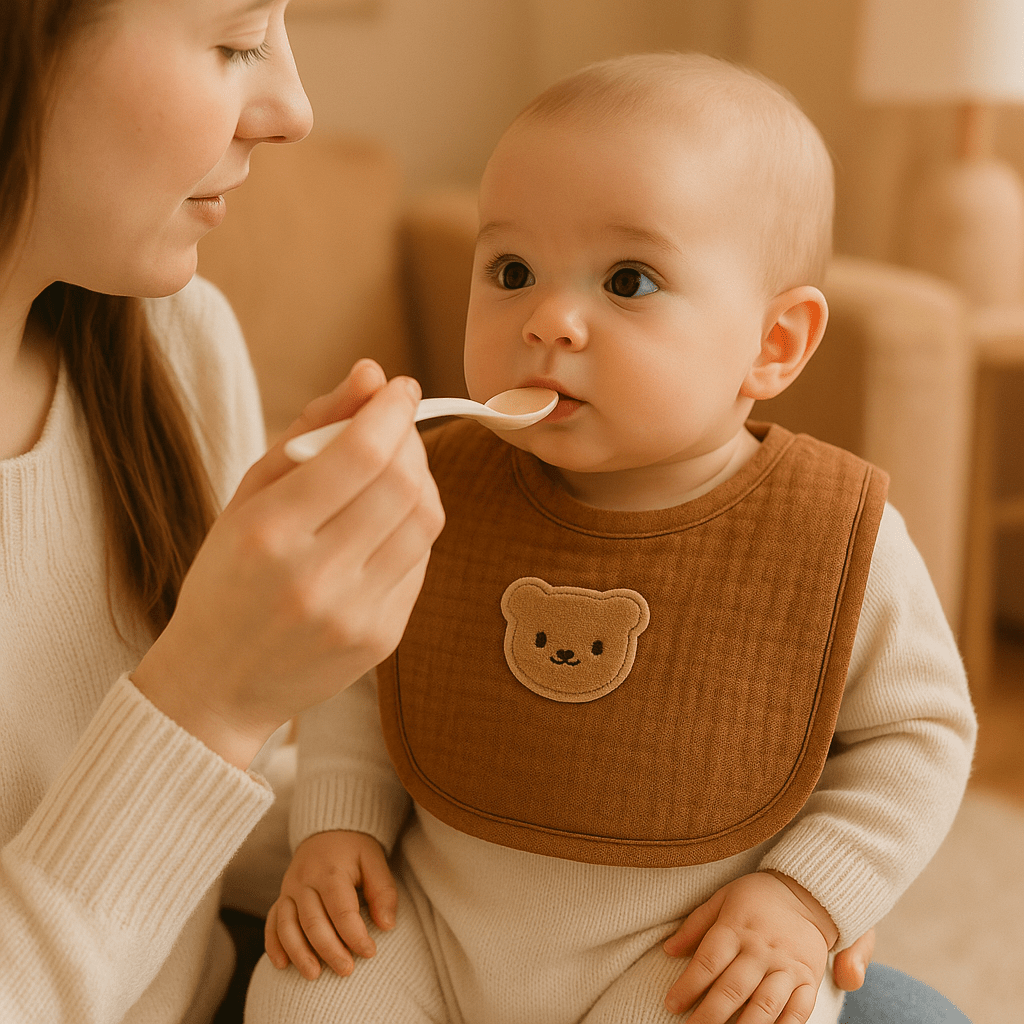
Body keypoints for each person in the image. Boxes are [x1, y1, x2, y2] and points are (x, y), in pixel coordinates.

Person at [246, 53, 977, 1024]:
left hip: (672, 951)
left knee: (751, 1008)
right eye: (510, 271)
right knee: (303, 987)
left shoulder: (831, 530)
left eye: (628, 280)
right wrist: (336, 827)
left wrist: (807, 894)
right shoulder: (438, 487)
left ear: (774, 345)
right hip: (422, 922)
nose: (547, 320)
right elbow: (360, 674)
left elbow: (918, 734)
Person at [0, 1, 444, 1022]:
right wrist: (206, 702)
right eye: (238, 40)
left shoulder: (173, 342)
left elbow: (195, 842)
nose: (291, 109)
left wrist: (613, 854)